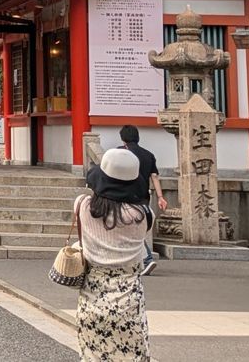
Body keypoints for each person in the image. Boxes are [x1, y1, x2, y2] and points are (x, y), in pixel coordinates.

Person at [75, 147, 153, 361]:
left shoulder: (83, 206)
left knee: (93, 355)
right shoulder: (144, 215)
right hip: (129, 296)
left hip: (93, 293)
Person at [120, 124, 168, 275]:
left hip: (125, 196)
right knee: (134, 229)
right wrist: (160, 197)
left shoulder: (121, 153)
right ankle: (136, 261)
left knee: (129, 230)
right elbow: (154, 177)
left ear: (123, 139)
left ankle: (146, 258)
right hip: (143, 197)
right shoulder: (148, 155)